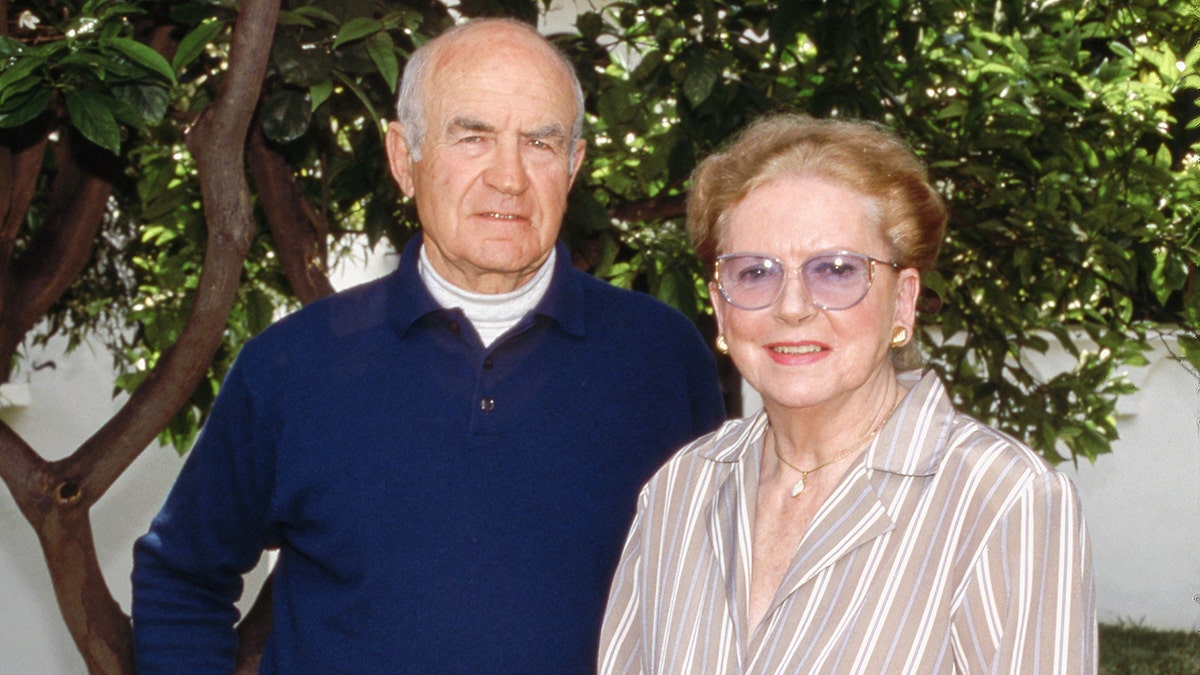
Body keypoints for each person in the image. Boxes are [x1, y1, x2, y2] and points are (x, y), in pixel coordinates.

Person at [132, 18, 724, 673]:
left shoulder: (661, 359)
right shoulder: (292, 367)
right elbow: (180, 577)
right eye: (472, 138)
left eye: (540, 143)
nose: (509, 177)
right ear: (401, 159)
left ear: (574, 165)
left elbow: (715, 589)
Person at [598, 113, 1096, 673]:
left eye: (835, 270)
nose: (791, 307)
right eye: (755, 273)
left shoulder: (1003, 501)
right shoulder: (680, 490)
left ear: (903, 302)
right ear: (720, 306)